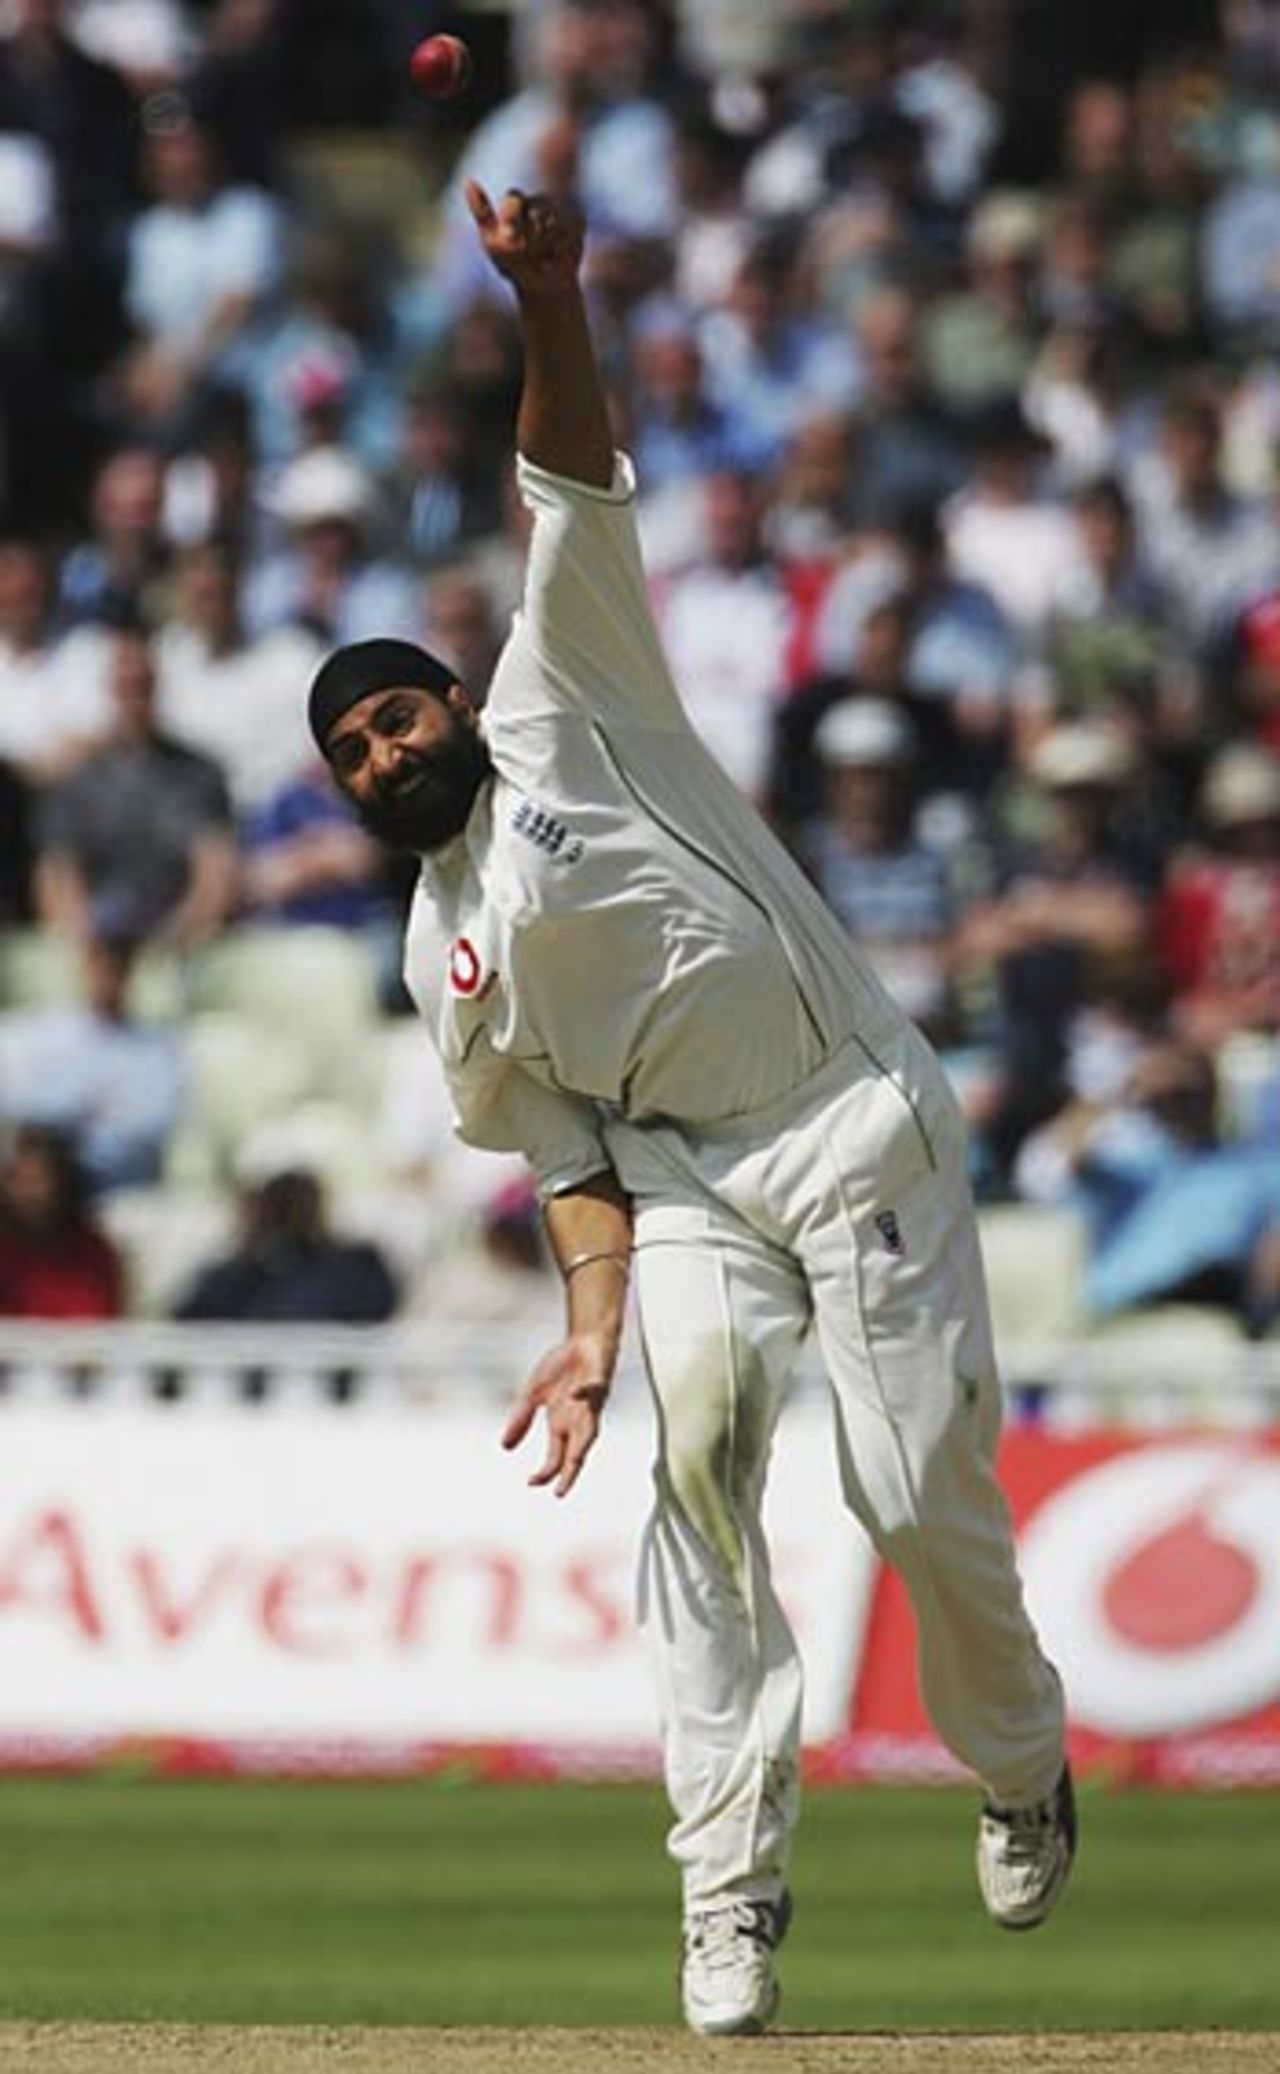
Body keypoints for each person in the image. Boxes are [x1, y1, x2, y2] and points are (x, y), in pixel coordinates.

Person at [306, 187, 1073, 2038]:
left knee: (903, 1485)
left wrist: (549, 302)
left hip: (849, 1115)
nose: (386, 754)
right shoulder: (442, 953)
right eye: (351, 754)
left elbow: (567, 483)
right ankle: (728, 1899)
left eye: (396, 719)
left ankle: (1020, 1752)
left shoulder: (568, 693)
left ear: (447, 702)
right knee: (700, 1497)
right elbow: (563, 1146)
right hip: (691, 1188)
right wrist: (587, 1333)